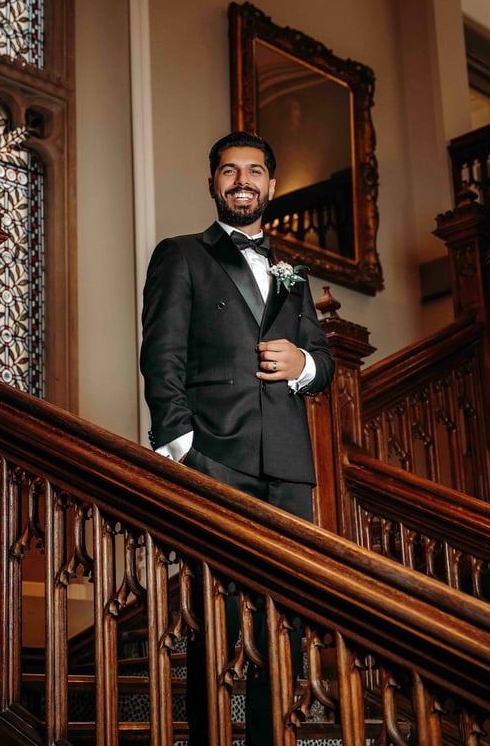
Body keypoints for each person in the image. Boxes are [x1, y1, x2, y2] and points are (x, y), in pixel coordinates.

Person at [139, 130, 335, 745]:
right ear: (213, 184)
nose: (242, 181)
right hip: (214, 456)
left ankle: (271, 736)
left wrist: (300, 362)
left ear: (272, 185)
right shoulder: (181, 254)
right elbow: (161, 355)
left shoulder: (293, 271)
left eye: (254, 171)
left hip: (288, 464)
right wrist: (180, 449)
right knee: (216, 613)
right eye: (229, 171)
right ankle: (212, 736)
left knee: (287, 619)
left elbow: (324, 362)